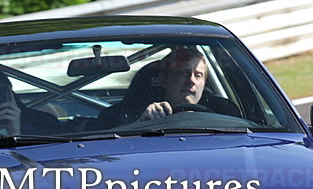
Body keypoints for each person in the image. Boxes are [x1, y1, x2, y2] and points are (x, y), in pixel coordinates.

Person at [95, 47, 241, 128]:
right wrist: (142, 124)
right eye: (183, 73)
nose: (191, 81)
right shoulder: (129, 116)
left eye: (198, 75)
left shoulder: (225, 113)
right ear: (163, 80)